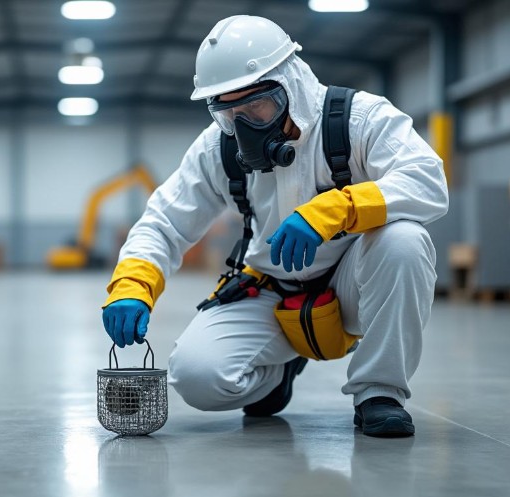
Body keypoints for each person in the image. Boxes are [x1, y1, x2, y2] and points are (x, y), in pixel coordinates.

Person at [100, 15, 448, 438]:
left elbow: (428, 180)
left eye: (257, 107)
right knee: (197, 378)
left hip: (356, 282)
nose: (244, 126)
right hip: (271, 288)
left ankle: (380, 391)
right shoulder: (217, 147)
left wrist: (336, 208)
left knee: (405, 240)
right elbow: (164, 221)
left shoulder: (359, 119)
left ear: (290, 84)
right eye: (229, 113)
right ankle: (276, 374)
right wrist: (133, 284)